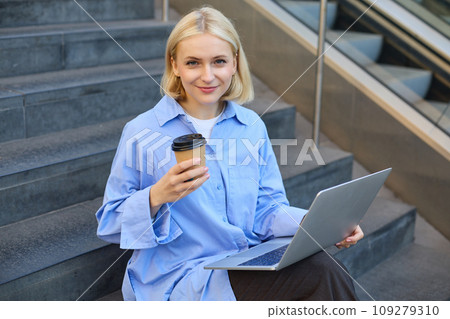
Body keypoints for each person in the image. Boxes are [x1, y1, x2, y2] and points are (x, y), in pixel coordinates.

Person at [96, 6, 364, 301]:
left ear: (234, 63)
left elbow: (267, 207)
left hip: (244, 260)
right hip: (181, 276)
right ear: (175, 64)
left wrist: (317, 225)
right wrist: (156, 196)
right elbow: (109, 222)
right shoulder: (142, 131)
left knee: (324, 265)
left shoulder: (250, 126)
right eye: (193, 62)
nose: (208, 76)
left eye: (219, 61)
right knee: (320, 274)